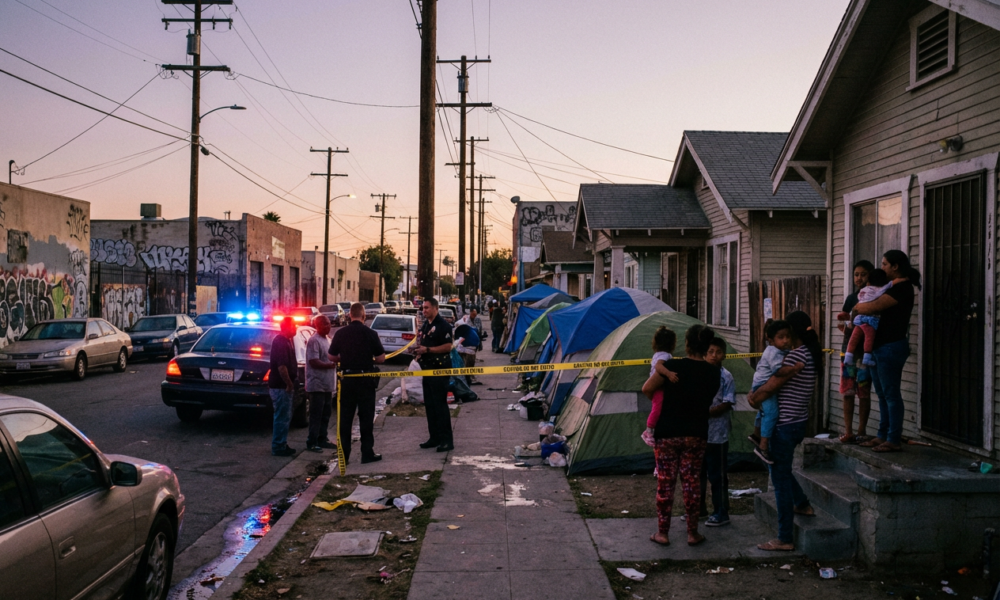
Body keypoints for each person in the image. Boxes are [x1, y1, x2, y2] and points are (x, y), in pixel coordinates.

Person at [642, 325, 721, 547]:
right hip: (696, 433)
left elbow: (647, 388)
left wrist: (662, 403)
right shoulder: (714, 373)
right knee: (692, 483)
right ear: (706, 347)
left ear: (686, 344)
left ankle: (663, 533)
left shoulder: (671, 366)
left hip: (667, 433)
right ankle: (692, 533)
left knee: (666, 484)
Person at [748, 311, 820, 552]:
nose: (785, 339)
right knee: (781, 468)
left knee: (778, 478)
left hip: (785, 424)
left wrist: (755, 397)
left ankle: (784, 538)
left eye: (787, 333)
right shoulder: (809, 352)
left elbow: (773, 384)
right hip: (798, 421)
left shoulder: (795, 356)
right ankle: (803, 504)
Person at [855, 250, 921, 453]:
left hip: (891, 346)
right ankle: (882, 435)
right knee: (882, 394)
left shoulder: (902, 289)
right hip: (878, 347)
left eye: (884, 264)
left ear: (895, 266)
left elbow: (870, 307)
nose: (881, 268)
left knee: (891, 395)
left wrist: (858, 306)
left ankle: (893, 438)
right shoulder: (888, 287)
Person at [328, 303, 386, 465]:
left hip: (347, 381)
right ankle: (367, 453)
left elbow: (331, 356)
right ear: (364, 316)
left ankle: (344, 455)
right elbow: (381, 358)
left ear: (349, 315)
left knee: (345, 419)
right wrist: (369, 359)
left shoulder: (340, 333)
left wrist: (344, 359)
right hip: (365, 381)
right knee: (366, 419)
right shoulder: (371, 333)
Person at [748, 320, 803, 464]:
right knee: (772, 413)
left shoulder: (781, 350)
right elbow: (778, 371)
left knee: (763, 412)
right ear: (771, 340)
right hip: (763, 384)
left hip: (759, 383)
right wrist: (794, 368)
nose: (785, 340)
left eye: (788, 336)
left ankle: (756, 435)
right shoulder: (773, 351)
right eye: (781, 337)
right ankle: (763, 446)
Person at [836, 260, 876, 445]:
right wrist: (847, 328)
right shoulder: (852, 298)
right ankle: (849, 431)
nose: (859, 278)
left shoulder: (874, 297)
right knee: (848, 391)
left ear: (870, 276)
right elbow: (843, 321)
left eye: (863, 274)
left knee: (864, 391)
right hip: (849, 353)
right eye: (856, 274)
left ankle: (861, 431)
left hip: (865, 354)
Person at [702, 337, 736, 527]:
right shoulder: (700, 375)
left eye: (718, 352)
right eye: (710, 352)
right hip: (700, 433)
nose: (714, 356)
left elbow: (727, 403)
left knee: (717, 475)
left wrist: (704, 412)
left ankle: (721, 512)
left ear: (724, 354)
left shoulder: (726, 376)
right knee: (698, 473)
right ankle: (699, 509)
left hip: (718, 435)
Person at [415, 298, 455, 452]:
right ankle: (434, 437)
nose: (424, 310)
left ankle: (447, 441)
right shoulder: (426, 325)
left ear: (435, 308)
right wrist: (418, 351)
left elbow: (447, 346)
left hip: (439, 370)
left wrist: (428, 351)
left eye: (426, 308)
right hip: (427, 369)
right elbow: (424, 343)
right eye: (423, 308)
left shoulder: (443, 325)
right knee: (430, 406)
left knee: (440, 406)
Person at [842, 269, 895, 366]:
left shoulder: (863, 290)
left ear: (868, 282)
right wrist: (891, 283)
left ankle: (848, 356)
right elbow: (884, 289)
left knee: (854, 338)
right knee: (869, 339)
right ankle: (867, 358)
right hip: (869, 319)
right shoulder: (878, 290)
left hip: (859, 319)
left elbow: (859, 299)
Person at [305, 315, 338, 453]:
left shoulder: (328, 340)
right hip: (317, 385)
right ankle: (312, 442)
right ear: (317, 326)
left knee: (326, 414)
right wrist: (329, 365)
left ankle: (322, 439)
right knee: (316, 415)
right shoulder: (314, 340)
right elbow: (313, 361)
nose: (328, 326)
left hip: (328, 385)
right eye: (325, 324)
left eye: (329, 324)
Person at [642, 326, 679, 447]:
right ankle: (649, 431)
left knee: (658, 406)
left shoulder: (657, 354)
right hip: (658, 387)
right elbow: (658, 366)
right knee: (657, 408)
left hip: (658, 387)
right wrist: (668, 374)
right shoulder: (665, 356)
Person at [268, 317, 299, 457]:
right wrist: (289, 384)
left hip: (283, 387)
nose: (296, 327)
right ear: (286, 327)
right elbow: (281, 367)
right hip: (281, 387)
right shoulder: (280, 342)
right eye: (294, 325)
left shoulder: (287, 341)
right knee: (282, 416)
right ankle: (279, 446)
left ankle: (282, 443)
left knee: (284, 416)